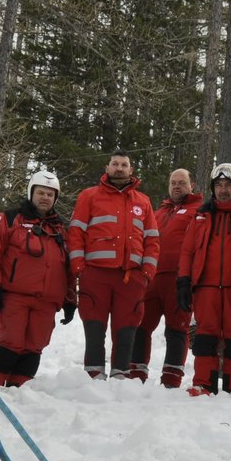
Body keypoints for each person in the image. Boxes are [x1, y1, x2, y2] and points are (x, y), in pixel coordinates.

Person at [67, 151, 160, 379]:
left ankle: (121, 374)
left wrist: (147, 272)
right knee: (94, 326)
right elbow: (76, 231)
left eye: (124, 165)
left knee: (127, 327)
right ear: (107, 168)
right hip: (95, 274)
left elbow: (152, 239)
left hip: (130, 277)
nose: (119, 168)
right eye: (115, 164)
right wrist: (79, 266)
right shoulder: (89, 196)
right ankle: (94, 374)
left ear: (131, 170)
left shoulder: (143, 202)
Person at [0, 171, 75, 387]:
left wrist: (71, 300)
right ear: (31, 193)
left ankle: (18, 393)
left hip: (47, 301)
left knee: (34, 347)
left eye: (50, 194)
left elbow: (69, 268)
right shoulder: (10, 219)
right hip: (14, 296)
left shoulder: (60, 229)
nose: (45, 197)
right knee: (9, 344)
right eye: (41, 192)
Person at [177, 163, 231, 394]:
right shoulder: (201, 215)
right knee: (205, 337)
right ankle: (203, 383)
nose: (223, 190)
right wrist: (183, 281)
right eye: (219, 185)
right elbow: (188, 251)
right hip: (205, 287)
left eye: (228, 185)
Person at [133, 169, 204, 386]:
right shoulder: (159, 212)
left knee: (177, 327)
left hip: (179, 278)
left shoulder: (198, 210)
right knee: (141, 325)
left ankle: (171, 380)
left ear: (191, 184)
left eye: (182, 183)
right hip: (152, 278)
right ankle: (135, 375)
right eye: (173, 182)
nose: (176, 186)